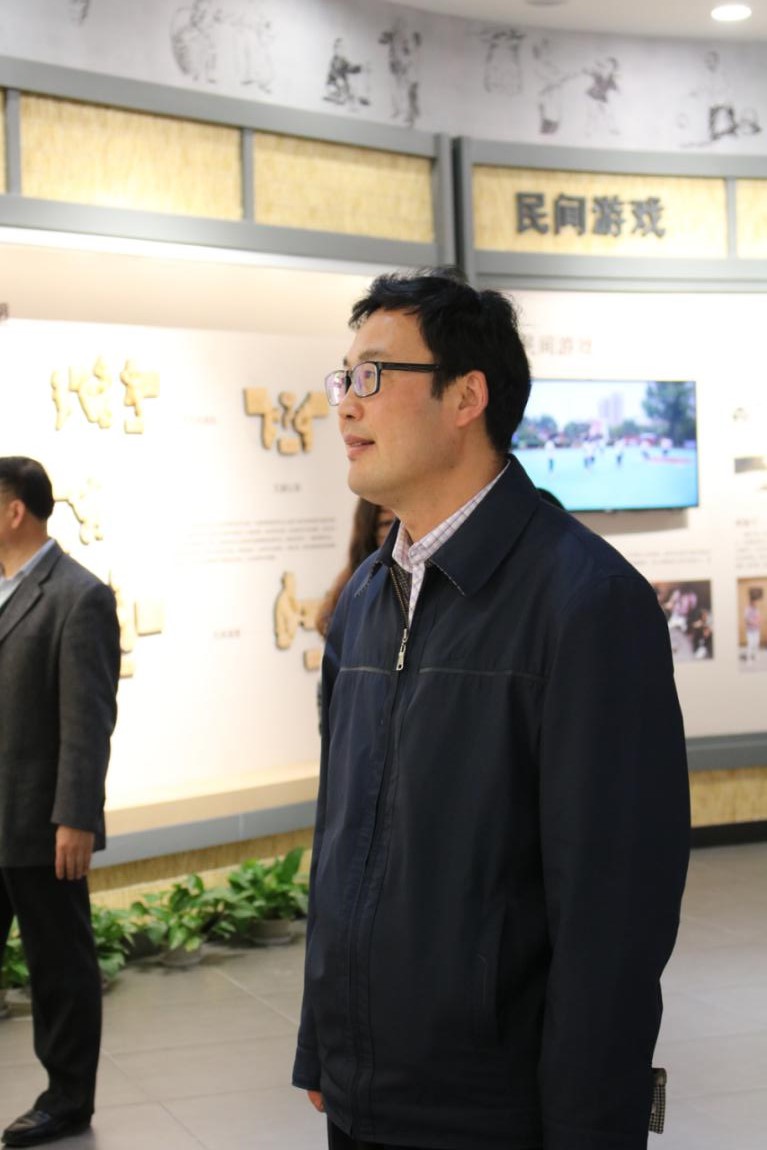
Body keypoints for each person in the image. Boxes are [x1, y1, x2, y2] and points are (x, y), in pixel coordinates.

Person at [292, 268, 690, 1150]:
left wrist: (589, 1124)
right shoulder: (365, 597)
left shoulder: (586, 603)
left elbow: (614, 914)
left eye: (372, 375)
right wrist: (322, 1039)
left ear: (466, 396)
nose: (345, 403)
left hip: (492, 1108)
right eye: (343, 376)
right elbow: (340, 835)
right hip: (363, 1092)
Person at [0, 457, 120, 1148]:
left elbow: (87, 720)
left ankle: (68, 1099)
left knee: (58, 967)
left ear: (15, 510)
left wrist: (75, 817)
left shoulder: (79, 596)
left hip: (41, 823)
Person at [316, 499, 395, 639]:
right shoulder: (352, 587)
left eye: (400, 522)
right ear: (370, 532)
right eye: (387, 523)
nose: (397, 532)